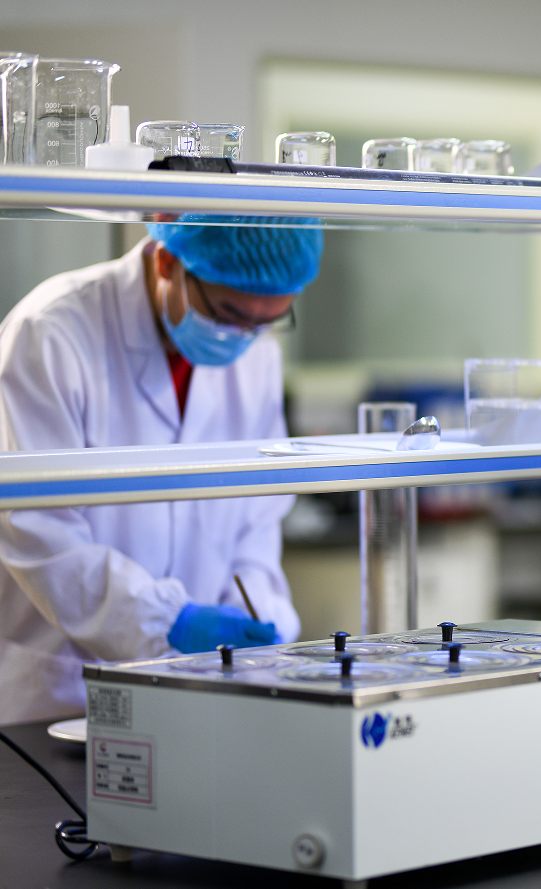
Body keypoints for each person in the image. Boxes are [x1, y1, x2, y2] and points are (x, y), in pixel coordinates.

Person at [0, 218, 323, 724]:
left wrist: (261, 613)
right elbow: (37, 529)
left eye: (268, 322)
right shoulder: (52, 331)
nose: (244, 339)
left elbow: (258, 516)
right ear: (166, 262)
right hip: (60, 690)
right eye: (229, 315)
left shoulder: (257, 353)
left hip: (198, 690)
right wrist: (169, 621)